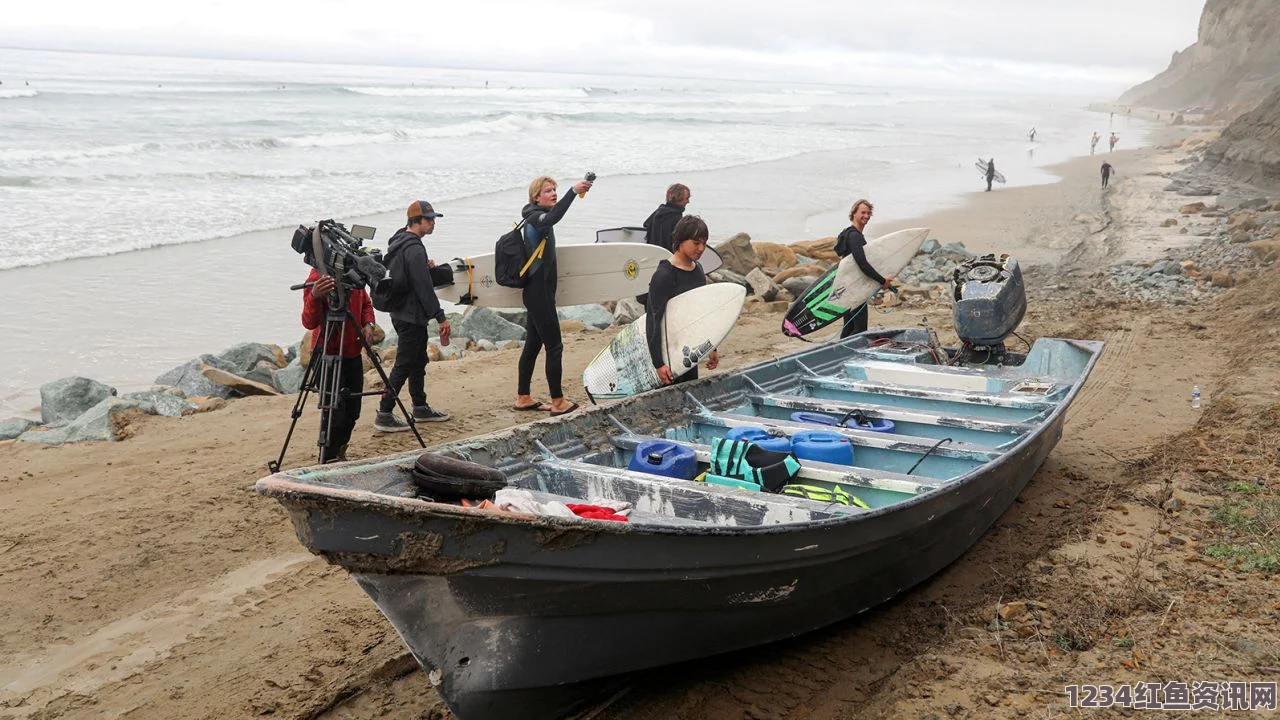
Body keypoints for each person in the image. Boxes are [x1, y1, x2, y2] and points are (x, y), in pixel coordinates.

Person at [513, 174, 593, 416]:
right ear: (536, 197)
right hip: (539, 294)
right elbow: (554, 216)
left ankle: (523, 397)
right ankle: (558, 402)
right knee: (555, 347)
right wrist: (572, 192)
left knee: (533, 345)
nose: (553, 193)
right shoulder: (537, 218)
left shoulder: (535, 217)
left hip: (539, 293)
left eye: (555, 190)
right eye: (548, 191)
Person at [374, 200, 452, 432]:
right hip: (411, 315)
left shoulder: (399, 241)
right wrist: (440, 316)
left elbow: (410, 275)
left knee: (418, 361)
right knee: (404, 364)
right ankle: (385, 412)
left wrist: (423, 267)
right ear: (415, 222)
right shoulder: (415, 248)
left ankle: (420, 406)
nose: (433, 223)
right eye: (429, 219)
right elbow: (423, 287)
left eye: (433, 219)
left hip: (400, 312)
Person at [301, 271, 376, 463]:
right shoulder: (318, 277)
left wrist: (368, 322)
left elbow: (366, 302)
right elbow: (309, 322)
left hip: (352, 353)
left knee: (353, 410)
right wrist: (314, 296)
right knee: (334, 411)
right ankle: (327, 457)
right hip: (327, 353)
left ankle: (340, 451)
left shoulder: (353, 273)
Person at [646, 215, 720, 385]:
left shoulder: (698, 270)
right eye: (696, 243)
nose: (701, 248)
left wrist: (712, 347)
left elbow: (701, 312)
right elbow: (653, 320)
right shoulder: (664, 275)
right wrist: (658, 363)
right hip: (668, 353)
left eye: (704, 243)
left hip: (689, 352)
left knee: (688, 398)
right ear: (680, 240)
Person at [834, 199, 893, 339]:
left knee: (849, 326)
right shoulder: (854, 236)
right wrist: (882, 280)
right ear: (854, 213)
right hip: (854, 289)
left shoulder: (847, 233)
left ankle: (838, 354)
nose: (866, 216)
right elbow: (862, 263)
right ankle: (844, 354)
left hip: (846, 286)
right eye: (863, 212)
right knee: (860, 329)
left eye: (868, 213)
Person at [642, 183, 690, 252]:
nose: (688, 201)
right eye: (687, 198)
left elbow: (646, 224)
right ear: (679, 199)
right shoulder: (677, 218)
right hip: (668, 256)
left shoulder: (659, 211)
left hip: (652, 253)